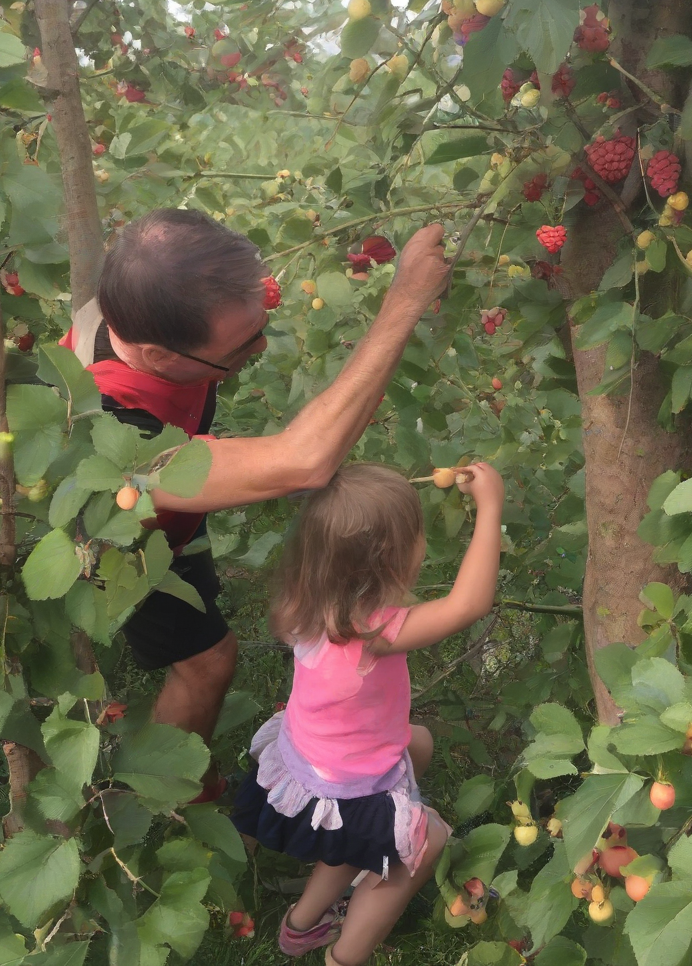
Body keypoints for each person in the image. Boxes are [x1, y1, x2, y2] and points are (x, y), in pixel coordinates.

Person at [61, 209, 449, 799]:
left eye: (260, 322)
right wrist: (406, 300)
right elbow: (304, 460)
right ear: (159, 356)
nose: (262, 346)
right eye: (243, 345)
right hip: (124, 539)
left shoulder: (147, 302)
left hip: (173, 511)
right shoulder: (109, 430)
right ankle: (173, 797)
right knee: (207, 662)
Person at [230, 460, 504, 966]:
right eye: (417, 534)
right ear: (391, 560)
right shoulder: (374, 634)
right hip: (344, 791)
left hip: (303, 765)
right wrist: (490, 508)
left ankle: (300, 925)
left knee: (416, 741)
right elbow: (469, 604)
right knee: (424, 845)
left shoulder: (303, 603)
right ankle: (345, 956)